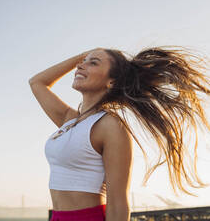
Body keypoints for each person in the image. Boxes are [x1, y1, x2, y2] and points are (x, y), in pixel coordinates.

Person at [29, 46, 210, 221]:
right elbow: (37, 82)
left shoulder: (110, 125)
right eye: (83, 62)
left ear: (112, 81)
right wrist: (82, 56)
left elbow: (118, 202)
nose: (80, 66)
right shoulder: (70, 120)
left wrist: (85, 57)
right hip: (58, 217)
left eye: (93, 63)